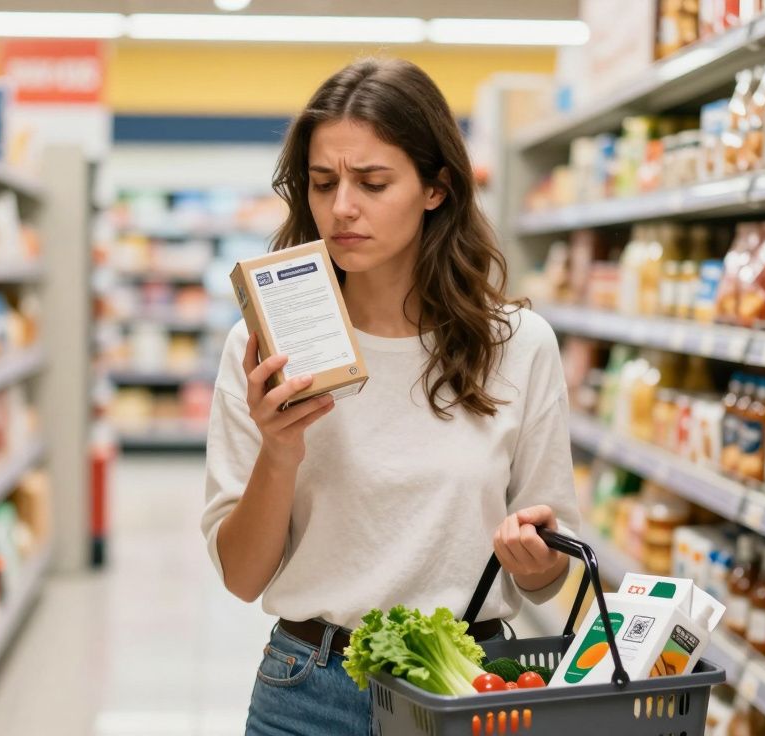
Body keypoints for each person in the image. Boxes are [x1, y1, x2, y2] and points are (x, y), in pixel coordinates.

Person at [201, 58, 581, 735]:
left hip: (470, 687)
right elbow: (240, 576)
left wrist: (539, 559)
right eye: (323, 183)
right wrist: (279, 450)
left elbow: (550, 575)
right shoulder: (264, 349)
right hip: (307, 690)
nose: (342, 207)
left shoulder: (518, 346)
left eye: (373, 182)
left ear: (436, 188)